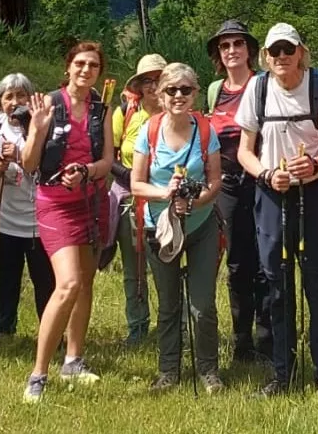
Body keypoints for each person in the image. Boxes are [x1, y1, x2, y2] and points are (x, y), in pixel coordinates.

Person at [235, 23, 318, 397]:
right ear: (266, 57)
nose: (282, 58)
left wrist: (317, 165)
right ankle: (281, 373)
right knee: (276, 284)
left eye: (288, 50)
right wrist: (267, 175)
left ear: (301, 51)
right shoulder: (259, 87)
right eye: (274, 52)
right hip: (272, 194)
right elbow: (244, 151)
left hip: (314, 193)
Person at [20, 41, 116, 401]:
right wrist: (35, 130)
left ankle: (73, 360)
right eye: (79, 63)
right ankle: (37, 374)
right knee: (68, 284)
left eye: (92, 65)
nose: (85, 70)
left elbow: (107, 161)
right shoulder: (48, 105)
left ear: (98, 72)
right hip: (55, 205)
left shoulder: (102, 109)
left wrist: (86, 170)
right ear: (68, 67)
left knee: (86, 282)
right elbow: (30, 164)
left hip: (91, 202)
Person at [132, 63, 225, 393]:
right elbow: (136, 185)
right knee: (169, 304)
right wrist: (166, 194)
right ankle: (168, 370)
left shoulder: (205, 130)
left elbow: (216, 182)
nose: (178, 96)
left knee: (202, 305)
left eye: (186, 89)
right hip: (161, 229)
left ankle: (208, 370)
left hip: (200, 225)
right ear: (159, 94)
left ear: (196, 94)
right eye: (171, 90)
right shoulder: (149, 130)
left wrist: (197, 201)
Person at [205, 19, 270, 362]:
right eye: (225, 45)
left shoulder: (262, 86)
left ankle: (267, 337)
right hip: (227, 185)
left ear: (250, 50)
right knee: (237, 263)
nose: (231, 50)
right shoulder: (215, 91)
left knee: (265, 260)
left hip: (260, 181)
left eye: (238, 44)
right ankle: (242, 341)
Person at [0, 73, 54, 339]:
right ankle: (3, 330)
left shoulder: (42, 127)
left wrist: (20, 157)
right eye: (8, 96)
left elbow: (48, 168)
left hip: (38, 220)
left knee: (44, 279)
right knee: (7, 277)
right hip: (3, 217)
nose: (15, 101)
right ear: (0, 101)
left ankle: (49, 330)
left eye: (21, 95)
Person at [113, 53, 167, 344]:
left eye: (158, 79)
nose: (152, 86)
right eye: (147, 80)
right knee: (134, 268)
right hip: (128, 197)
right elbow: (108, 155)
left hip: (164, 198)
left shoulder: (176, 114)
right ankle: (137, 326)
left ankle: (174, 325)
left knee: (167, 265)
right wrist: (134, 177)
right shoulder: (126, 112)